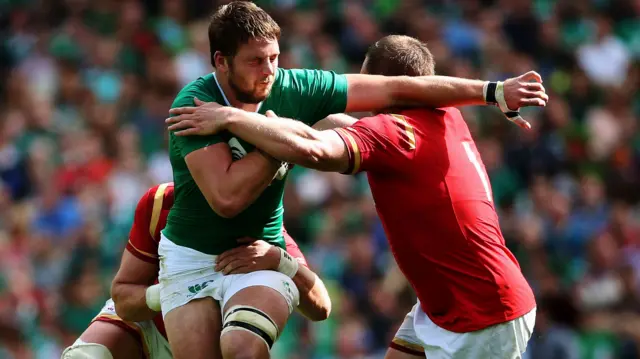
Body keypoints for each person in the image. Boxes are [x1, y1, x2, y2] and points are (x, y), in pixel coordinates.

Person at [161, 2, 547, 358]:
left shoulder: (394, 134)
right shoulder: (443, 117)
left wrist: (234, 118)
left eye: (367, 85)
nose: (270, 70)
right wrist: (494, 91)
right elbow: (352, 120)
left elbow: (314, 148)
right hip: (446, 306)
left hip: (483, 314)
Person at [60, 182, 330, 359]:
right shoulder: (161, 202)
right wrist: (174, 291)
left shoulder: (257, 219)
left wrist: (280, 260)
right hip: (150, 322)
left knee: (244, 343)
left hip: (211, 341)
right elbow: (123, 298)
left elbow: (321, 306)